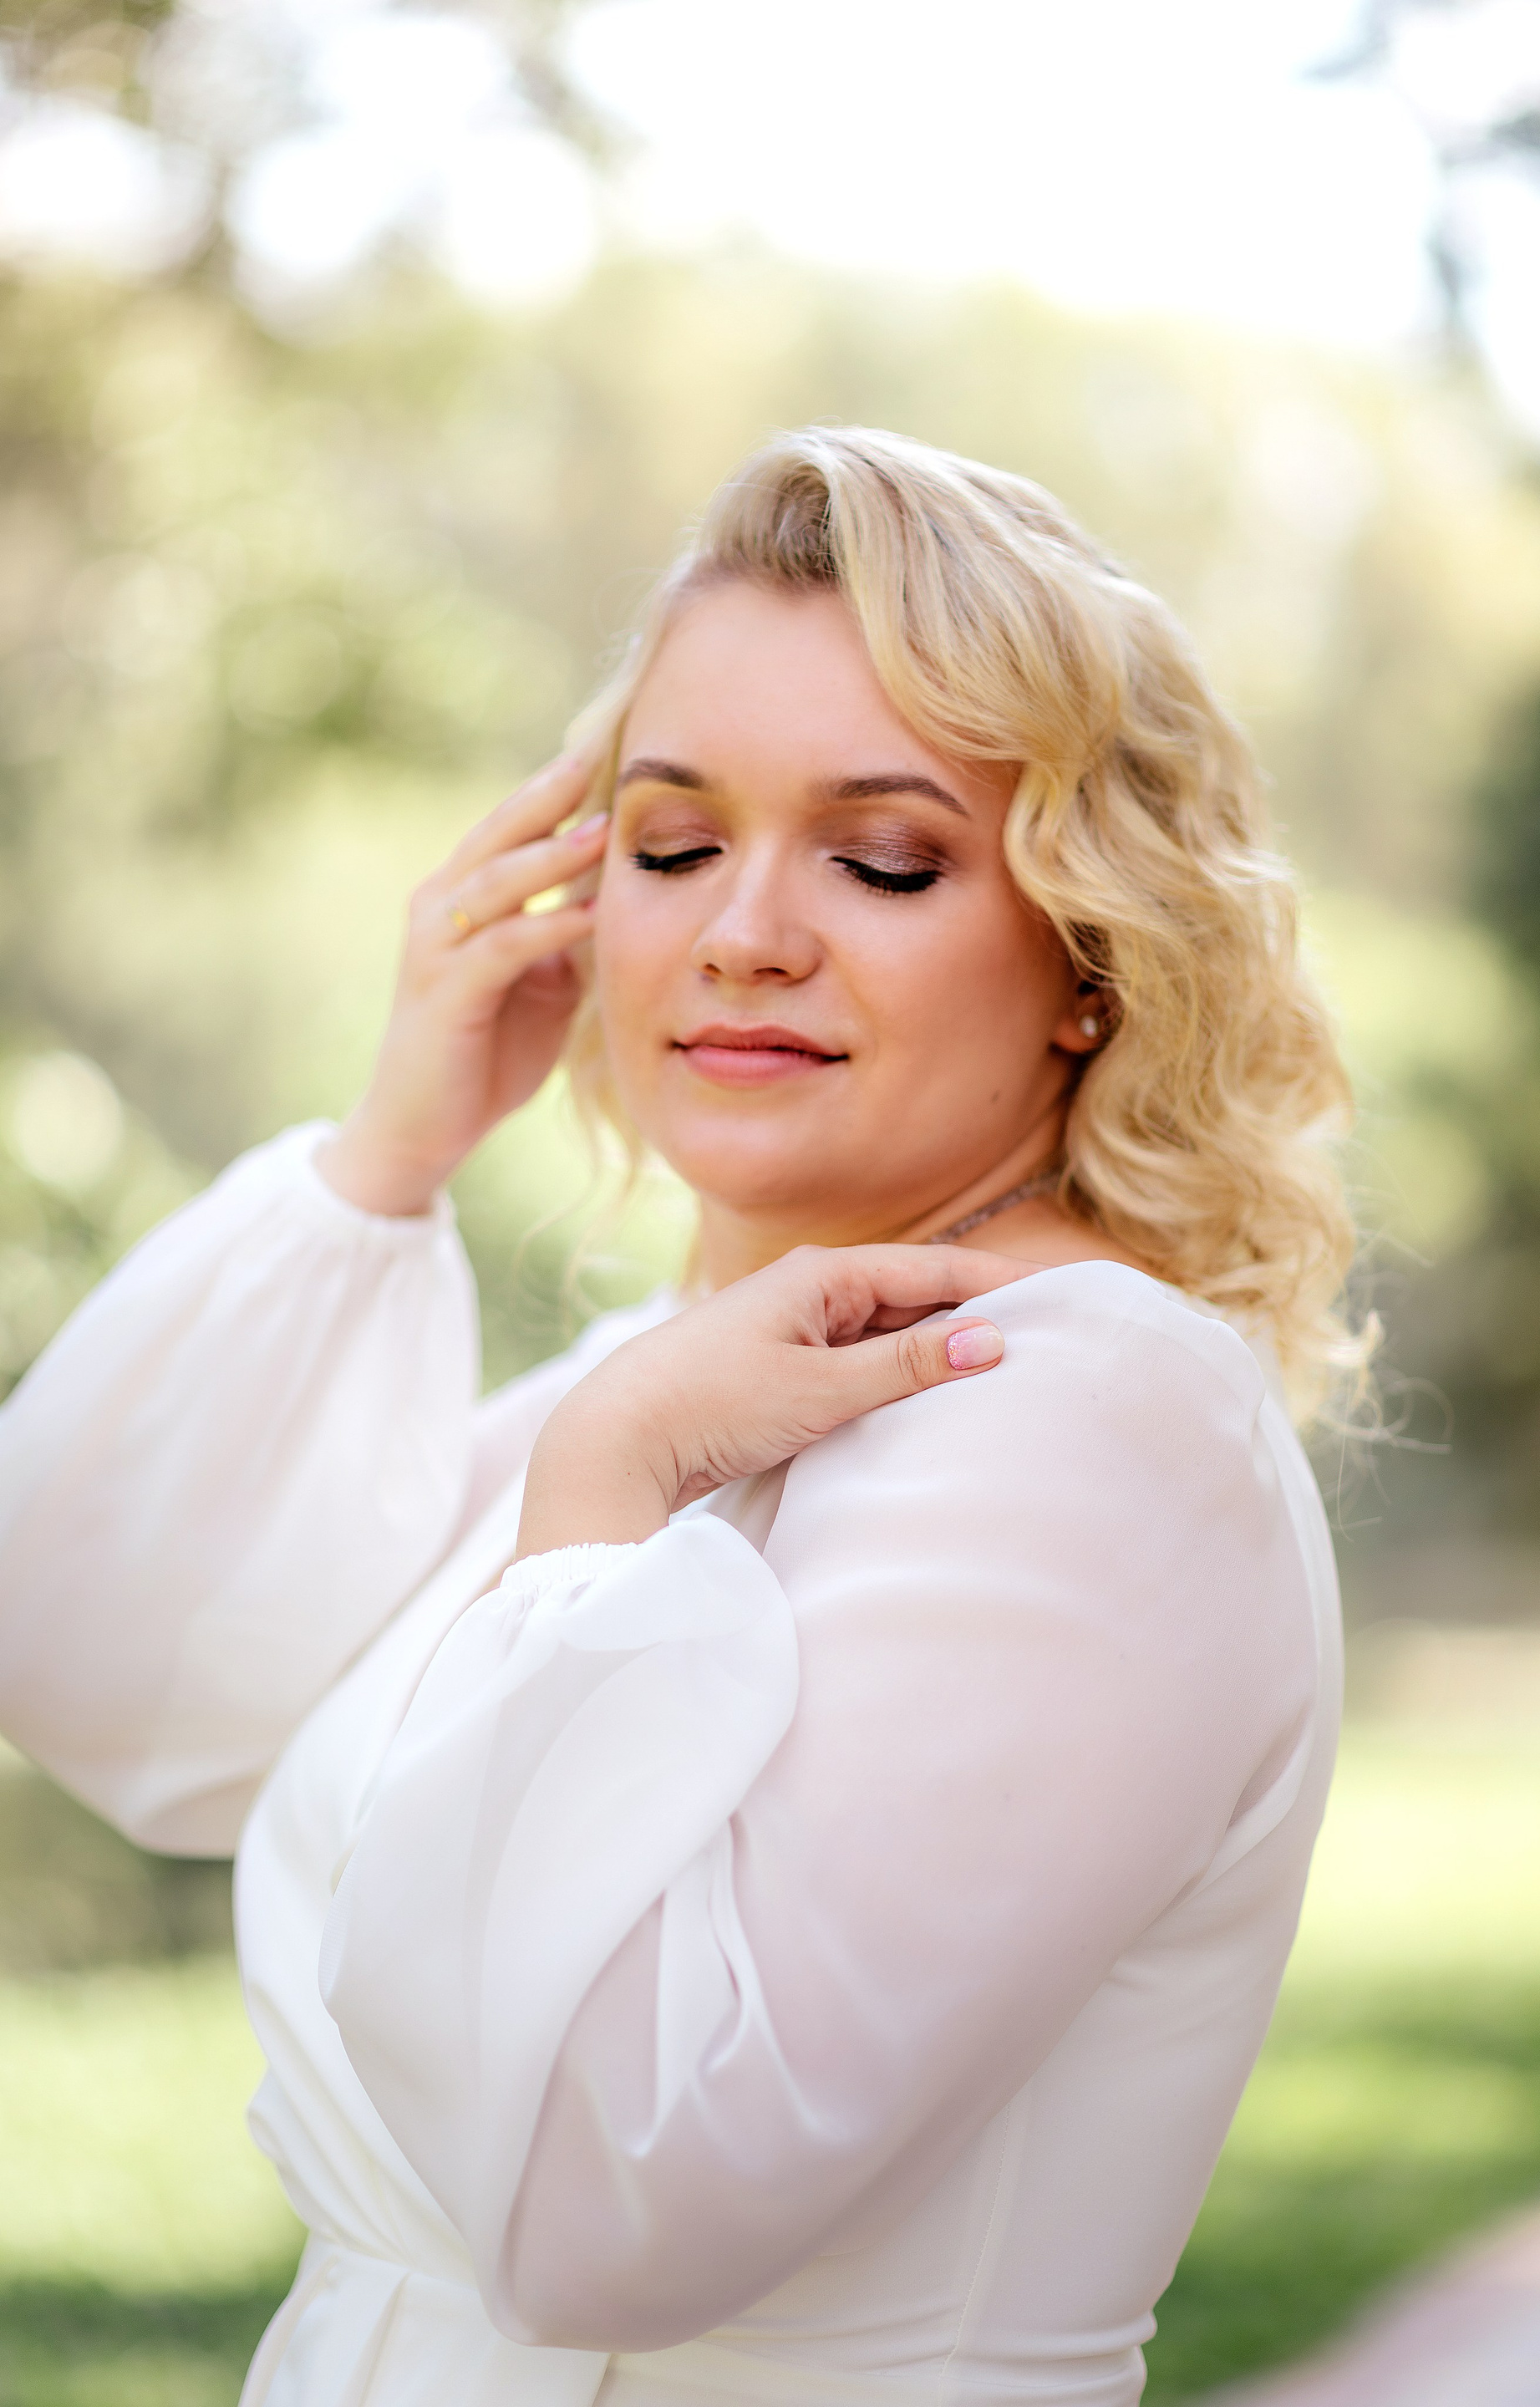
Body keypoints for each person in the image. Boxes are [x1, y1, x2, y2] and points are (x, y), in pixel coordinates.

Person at [0, 426, 1357, 2407]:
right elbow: (114, 1684)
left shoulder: (1072, 1414)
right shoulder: (672, 1368)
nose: (743, 933)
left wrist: (601, 1504)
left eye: (882, 859)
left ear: (1092, 955)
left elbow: (611, 2208)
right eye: (669, 843)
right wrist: (390, 1155)